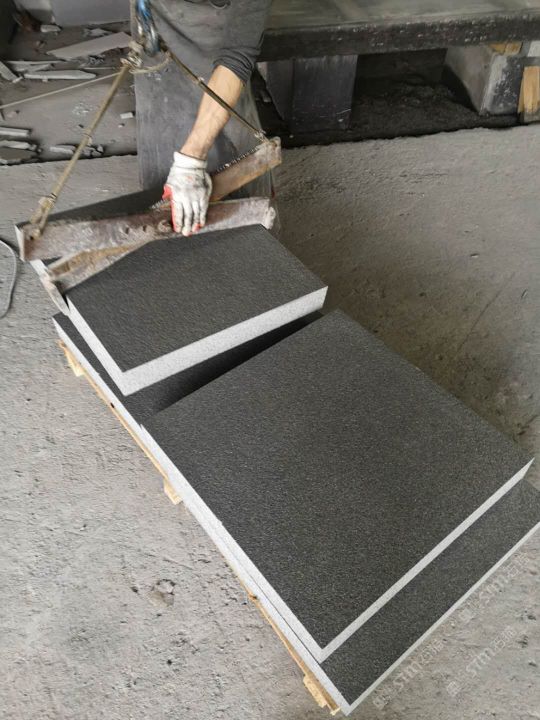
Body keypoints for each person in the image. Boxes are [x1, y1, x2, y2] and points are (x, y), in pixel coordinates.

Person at [134, 0, 271, 237]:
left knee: (224, 169)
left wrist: (191, 160)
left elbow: (237, 57)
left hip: (213, 64)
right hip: (156, 39)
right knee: (161, 171)